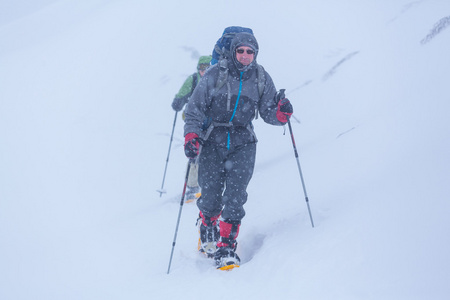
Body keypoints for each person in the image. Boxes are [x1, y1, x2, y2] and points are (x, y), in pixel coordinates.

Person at [183, 31, 293, 269]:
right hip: (213, 140)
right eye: (240, 51)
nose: (245, 56)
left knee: (235, 196)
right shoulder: (215, 74)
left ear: (255, 54)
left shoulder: (261, 77)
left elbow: (268, 112)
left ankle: (226, 247)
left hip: (244, 141)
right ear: (233, 52)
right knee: (210, 195)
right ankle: (208, 225)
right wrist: (192, 136)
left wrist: (281, 114)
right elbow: (195, 109)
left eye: (249, 52)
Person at [171, 55, 212, 202]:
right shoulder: (193, 80)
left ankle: (210, 184)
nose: (205, 71)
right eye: (202, 68)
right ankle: (193, 187)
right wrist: (178, 101)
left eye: (208, 67)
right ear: (198, 69)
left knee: (211, 153)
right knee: (195, 153)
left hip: (213, 123)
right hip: (195, 122)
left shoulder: (218, 79)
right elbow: (182, 94)